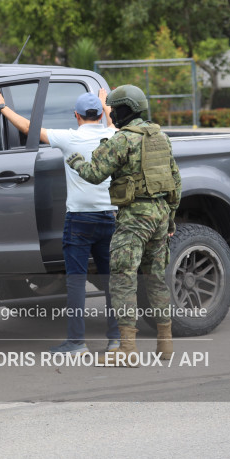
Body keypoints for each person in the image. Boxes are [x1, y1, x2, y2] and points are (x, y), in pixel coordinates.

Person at [0, 88, 121, 356]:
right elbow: (113, 124)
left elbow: (27, 127)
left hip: (79, 222)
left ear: (77, 116)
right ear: (100, 115)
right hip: (110, 217)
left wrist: (1, 107)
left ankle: (76, 342)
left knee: (75, 281)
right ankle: (116, 339)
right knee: (112, 282)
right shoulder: (113, 136)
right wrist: (106, 104)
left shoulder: (69, 138)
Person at [66, 84, 182, 367]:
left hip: (133, 219)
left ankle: (127, 349)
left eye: (116, 109)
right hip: (160, 215)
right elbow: (175, 182)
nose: (112, 114)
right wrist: (171, 219)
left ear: (127, 110)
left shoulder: (122, 140)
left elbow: (94, 174)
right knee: (155, 278)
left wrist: (77, 161)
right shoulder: (161, 137)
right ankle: (165, 344)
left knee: (122, 279)